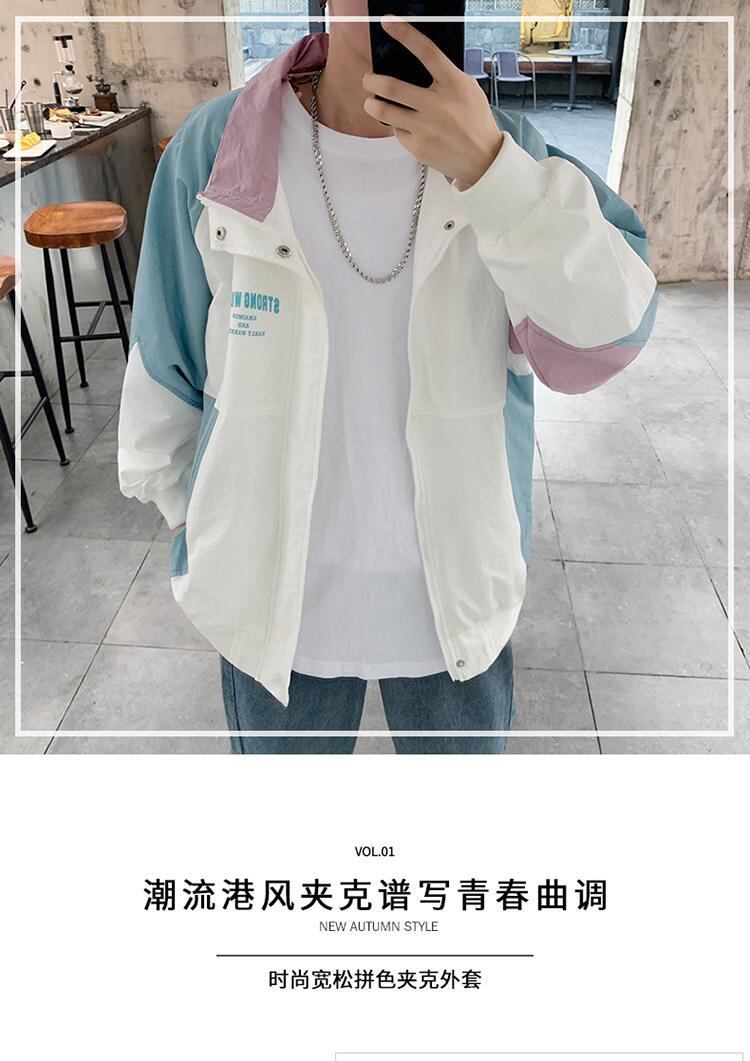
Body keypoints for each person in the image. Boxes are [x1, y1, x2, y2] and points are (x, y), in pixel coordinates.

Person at [117, 2, 657, 754]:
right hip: (269, 603)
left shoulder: (511, 153)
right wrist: (192, 520)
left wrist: (492, 173)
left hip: (455, 604)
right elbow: (163, 357)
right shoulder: (220, 146)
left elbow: (609, 332)